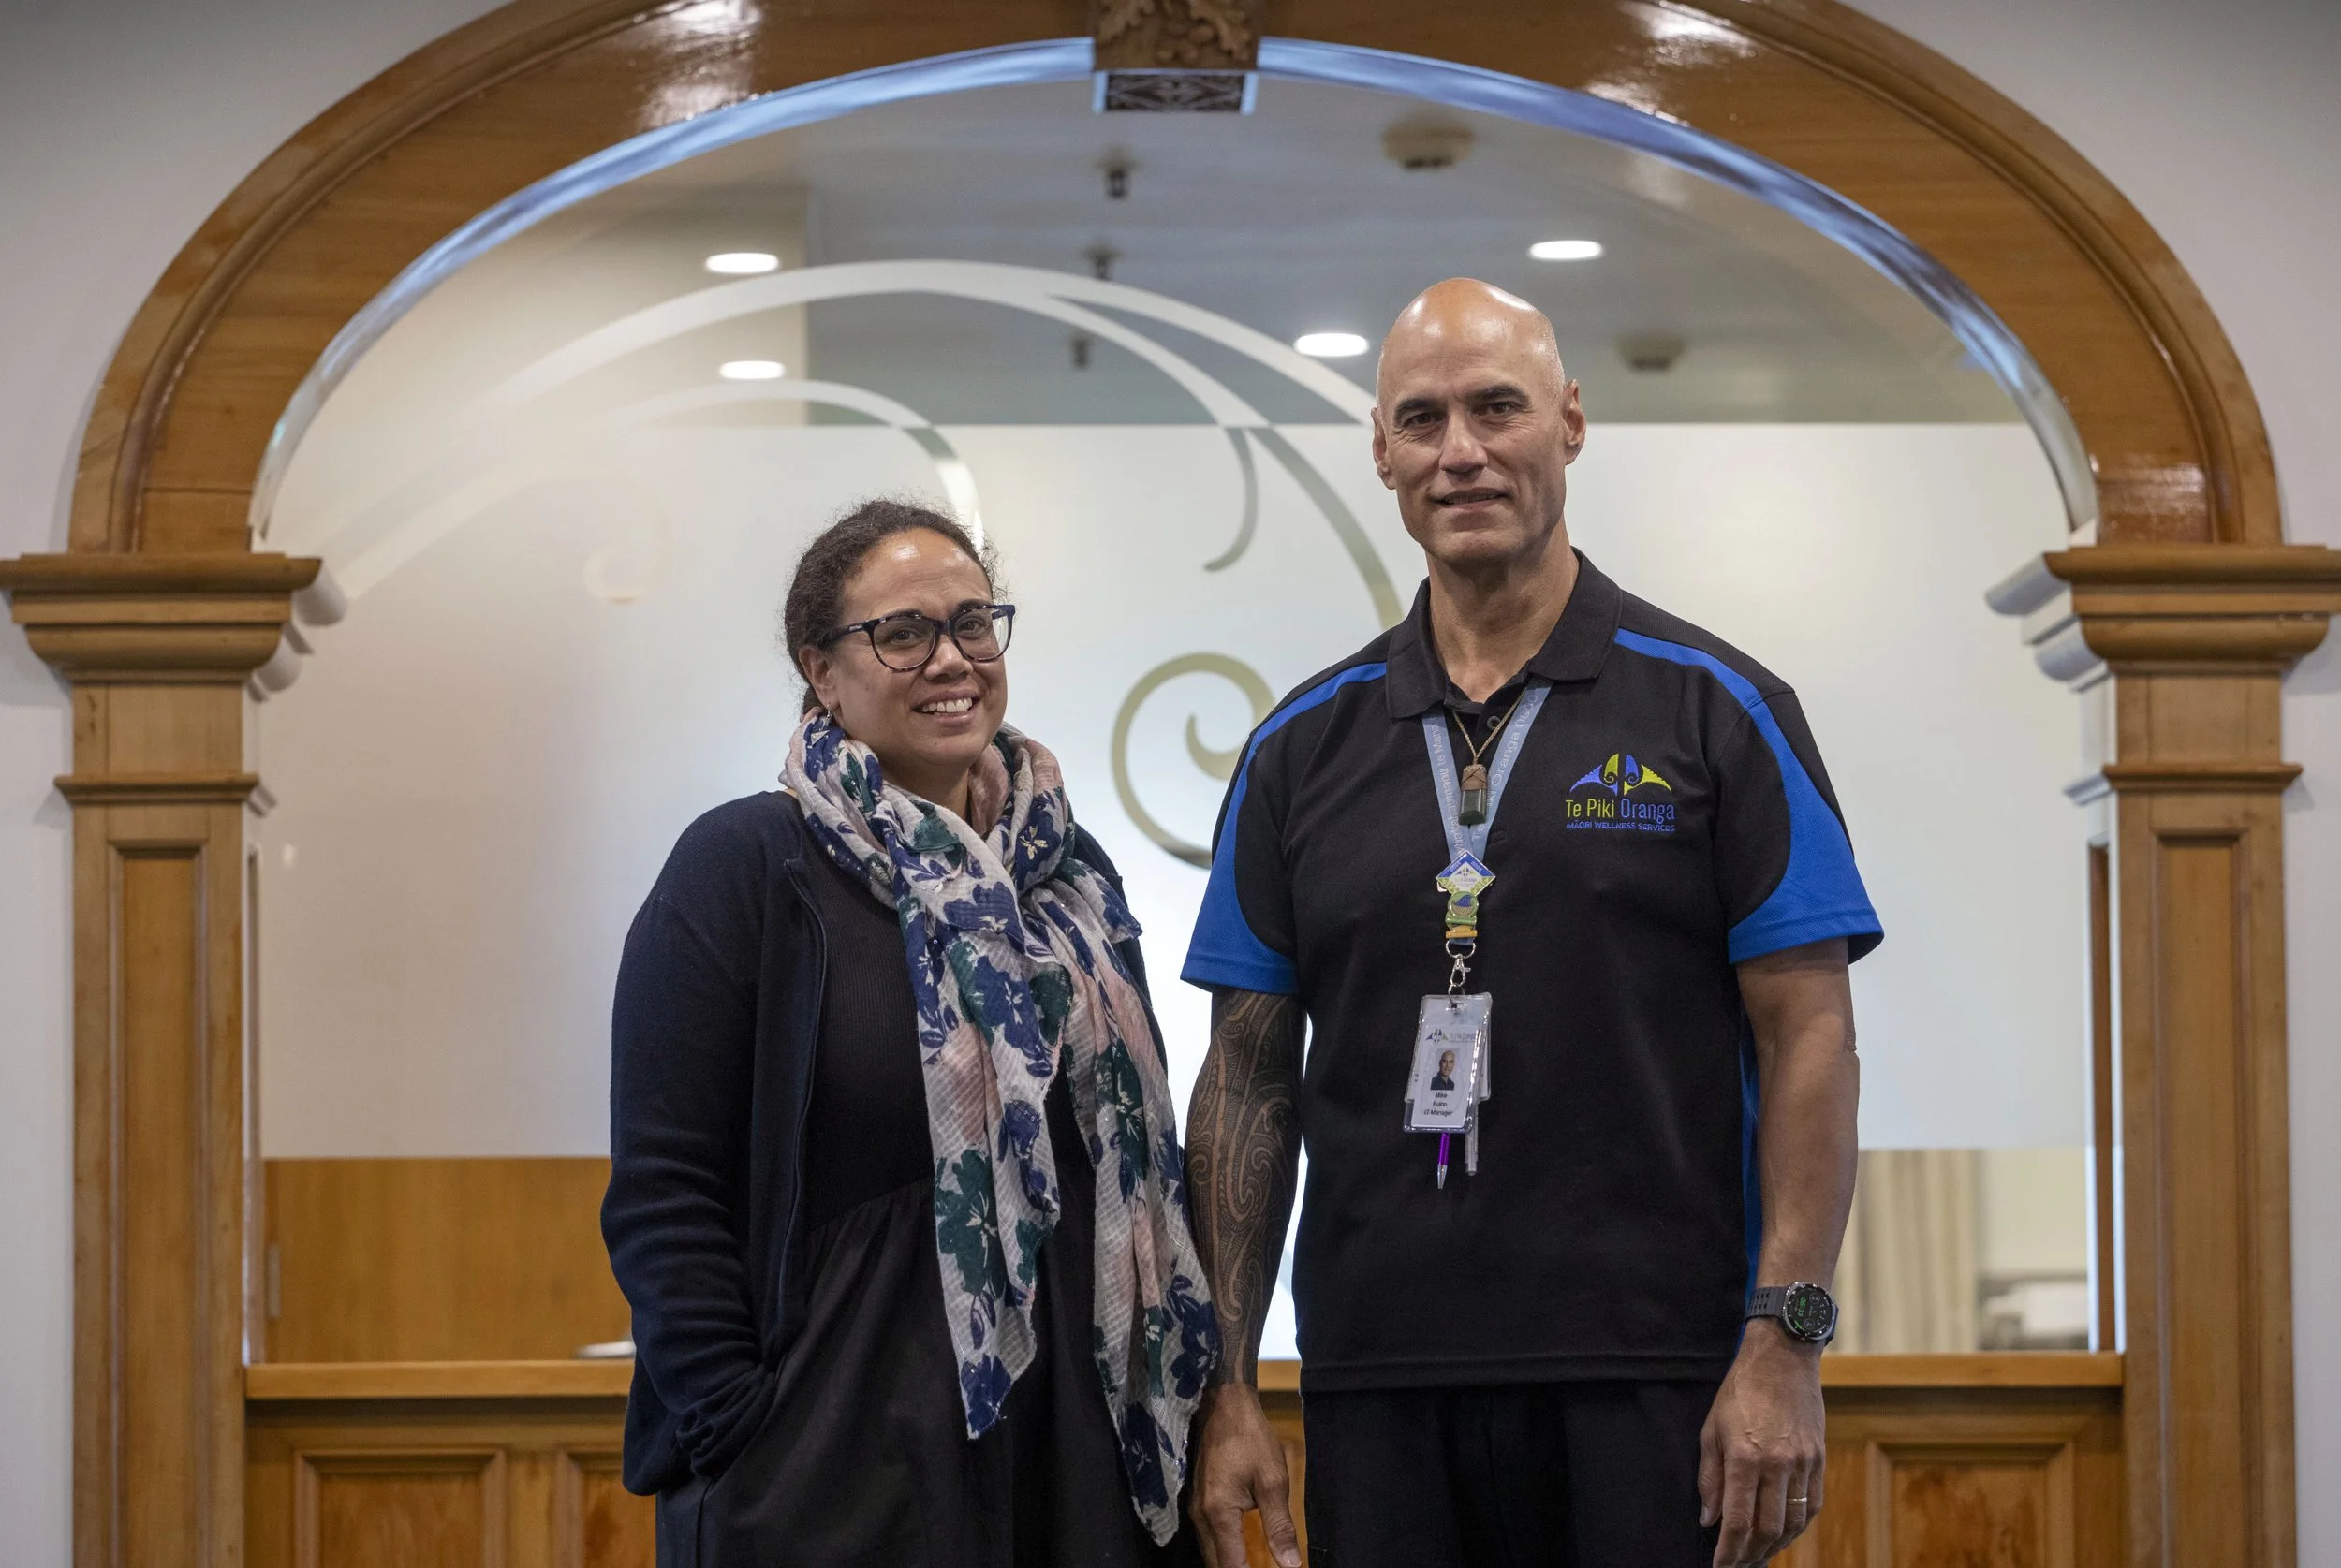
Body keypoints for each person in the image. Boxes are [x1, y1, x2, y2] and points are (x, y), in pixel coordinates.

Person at [1181, 281, 1879, 1568]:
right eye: (1424, 417)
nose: (1463, 450)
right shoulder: (1297, 748)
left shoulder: (1723, 711)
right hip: (1376, 1376)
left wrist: (1785, 1338)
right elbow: (1246, 1080)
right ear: (1381, 452)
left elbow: (1811, 1036)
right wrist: (1223, 1383)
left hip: (1658, 1373)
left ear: (1569, 423)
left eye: (1498, 408)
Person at [603, 500, 1218, 1568]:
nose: (952, 658)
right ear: (822, 672)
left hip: (1078, 1460)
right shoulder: (749, 866)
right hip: (838, 1468)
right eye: (903, 632)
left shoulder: (1070, 878)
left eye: (974, 623)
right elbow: (664, 1189)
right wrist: (744, 1429)